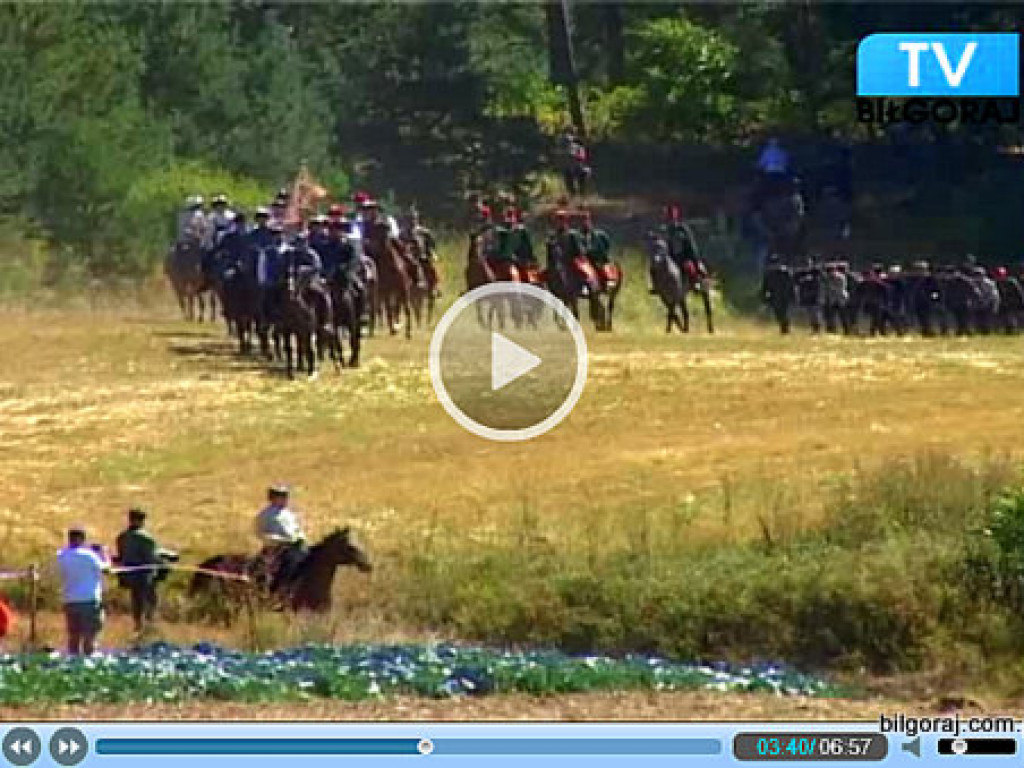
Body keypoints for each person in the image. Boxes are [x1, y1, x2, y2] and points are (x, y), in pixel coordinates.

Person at [57, 526, 109, 655]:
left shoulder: (61, 555)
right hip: (89, 600)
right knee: (89, 637)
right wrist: (104, 554)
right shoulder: (89, 555)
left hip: (70, 600)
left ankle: (73, 662)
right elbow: (106, 569)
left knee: (73, 637)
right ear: (82, 539)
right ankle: (88, 663)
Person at [114, 508, 162, 635]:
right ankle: (149, 627)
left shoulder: (121, 537)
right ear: (141, 521)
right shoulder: (146, 538)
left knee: (136, 601)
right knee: (151, 601)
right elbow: (151, 558)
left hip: (128, 575)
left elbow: (121, 555)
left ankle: (137, 625)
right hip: (144, 575)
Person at [255, 486, 307, 594]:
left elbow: (297, 529)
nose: (285, 499)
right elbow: (261, 534)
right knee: (291, 564)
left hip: (296, 546)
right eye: (282, 496)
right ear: (273, 498)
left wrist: (300, 538)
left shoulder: (288, 514)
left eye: (286, 496)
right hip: (277, 549)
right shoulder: (265, 515)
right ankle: (282, 590)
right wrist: (281, 540)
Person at [761, 254, 796, 334]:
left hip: (784, 295)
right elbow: (765, 285)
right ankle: (783, 327)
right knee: (778, 313)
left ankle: (785, 329)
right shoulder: (769, 273)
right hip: (775, 295)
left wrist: (793, 295)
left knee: (784, 312)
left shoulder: (785, 272)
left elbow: (791, 284)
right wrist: (765, 295)